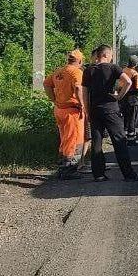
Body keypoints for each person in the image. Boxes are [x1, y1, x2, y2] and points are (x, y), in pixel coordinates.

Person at [83, 45, 138, 182]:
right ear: (106, 55)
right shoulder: (113, 67)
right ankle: (128, 174)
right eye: (111, 55)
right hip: (110, 109)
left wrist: (87, 110)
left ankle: (98, 174)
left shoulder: (88, 70)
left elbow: (84, 92)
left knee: (97, 142)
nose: (111, 58)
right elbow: (127, 81)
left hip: (94, 110)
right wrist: (119, 97)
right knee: (119, 140)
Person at [42, 49, 87, 180]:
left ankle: (62, 166)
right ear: (79, 61)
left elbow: (46, 84)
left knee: (64, 138)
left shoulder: (58, 72)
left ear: (68, 60)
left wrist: (53, 99)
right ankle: (69, 169)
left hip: (59, 109)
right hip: (72, 111)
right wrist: (82, 104)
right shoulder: (76, 72)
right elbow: (78, 88)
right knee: (73, 139)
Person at [120, 55, 138, 140]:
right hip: (132, 98)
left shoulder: (123, 71)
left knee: (124, 117)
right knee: (132, 118)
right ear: (135, 64)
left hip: (123, 96)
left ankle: (123, 137)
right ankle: (131, 138)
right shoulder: (134, 73)